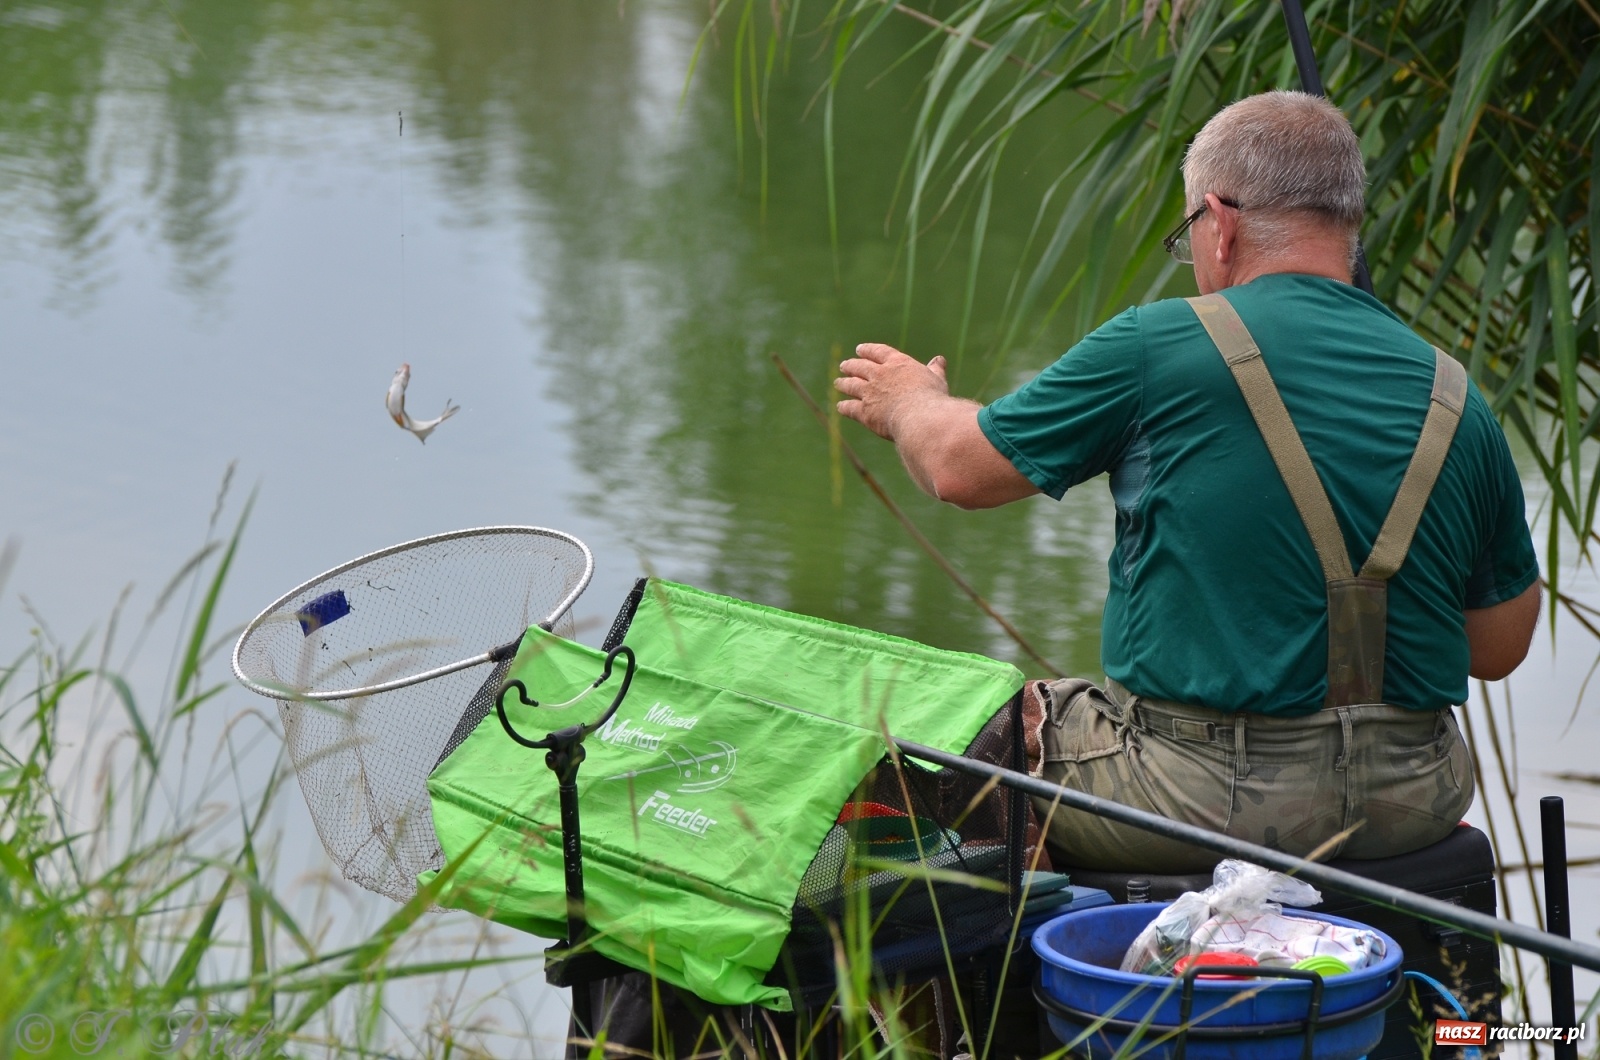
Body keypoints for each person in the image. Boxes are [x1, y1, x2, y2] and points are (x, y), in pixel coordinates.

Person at [834, 90, 1541, 872]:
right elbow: (1499, 647)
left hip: (1194, 798)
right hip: (1416, 796)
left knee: (964, 728)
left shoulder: (1159, 346)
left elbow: (957, 467)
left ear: (1221, 221)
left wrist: (909, 400)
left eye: (1188, 235)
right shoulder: (1455, 395)